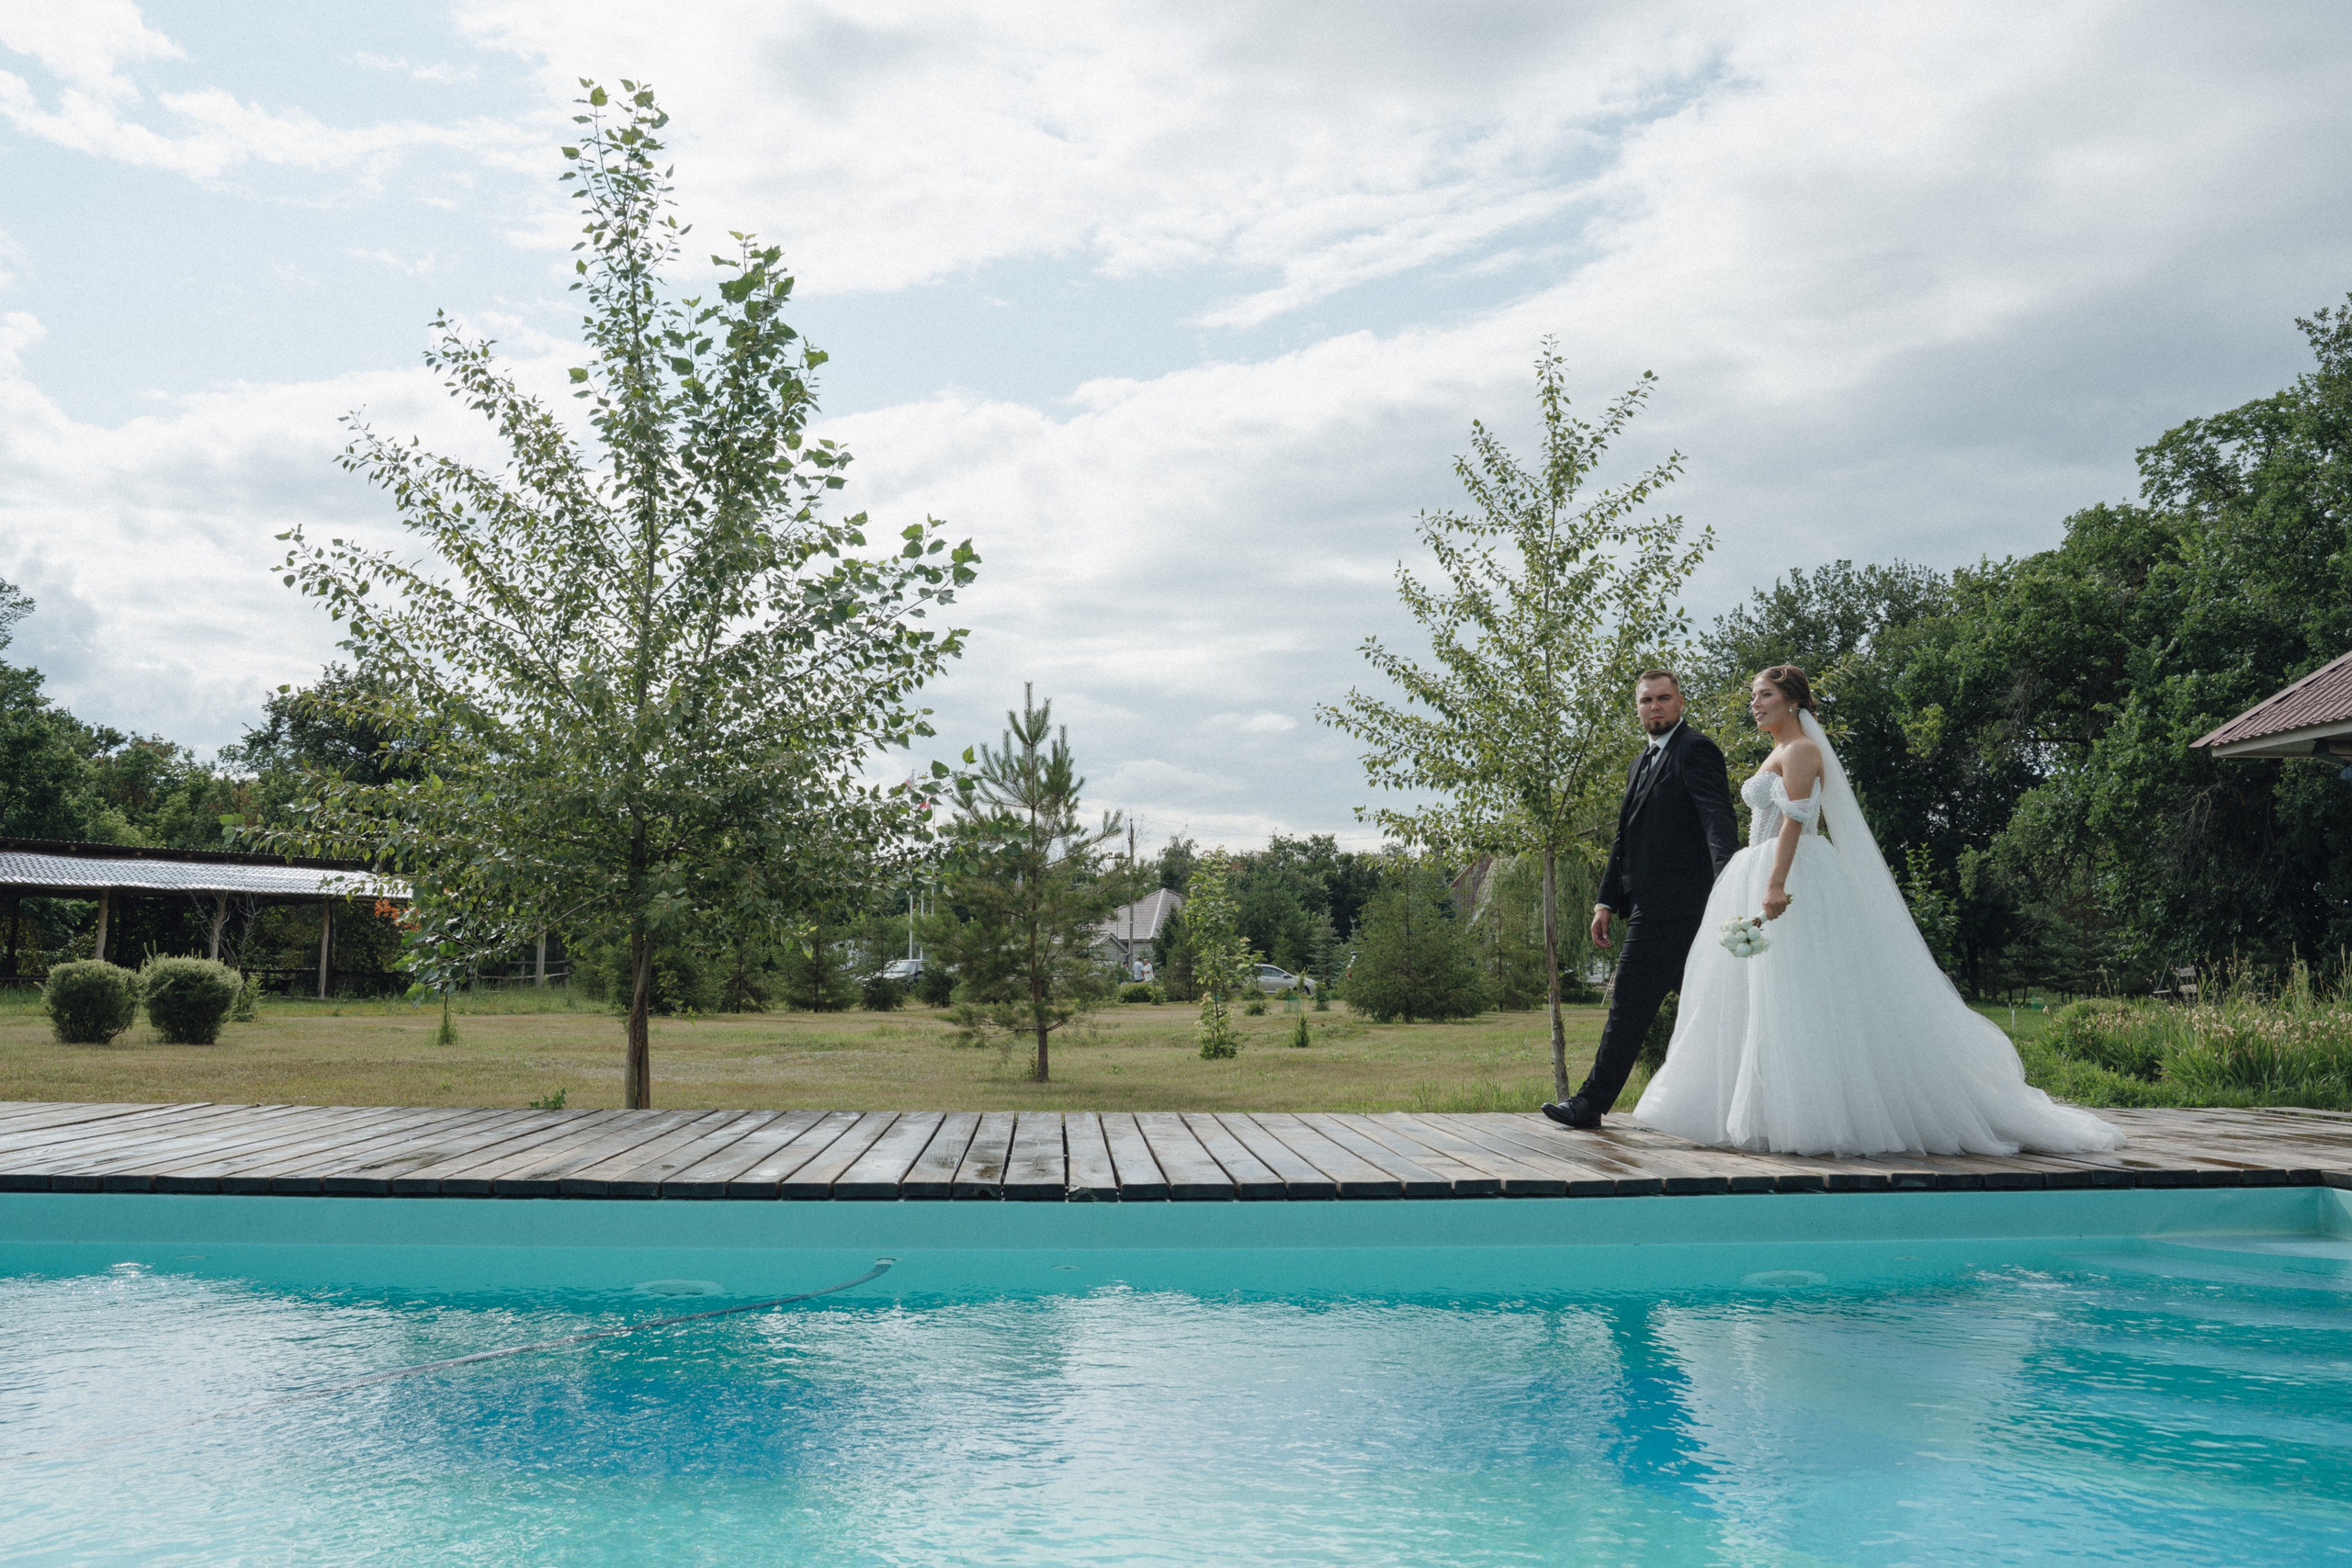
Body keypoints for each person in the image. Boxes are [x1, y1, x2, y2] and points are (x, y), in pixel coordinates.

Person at [1633, 664, 2121, 1156]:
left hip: (1793, 872)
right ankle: (1769, 1110)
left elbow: (1795, 821)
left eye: (1764, 696)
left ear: (1793, 702)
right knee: (1770, 1000)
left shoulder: (1801, 750)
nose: (1754, 705)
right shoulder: (1778, 750)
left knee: (1804, 996)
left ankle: (1820, 1115)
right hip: (1760, 867)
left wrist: (1775, 884)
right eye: (1753, 697)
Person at [1544, 668, 1740, 1130]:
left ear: (1681, 702)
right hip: (1648, 908)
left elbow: (1718, 821)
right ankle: (1744, 1101)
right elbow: (1623, 839)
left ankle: (1588, 1105)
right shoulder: (1640, 762)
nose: (1654, 707)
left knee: (1628, 1007)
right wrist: (1604, 902)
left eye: (1663, 698)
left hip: (1683, 909)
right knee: (1714, 1011)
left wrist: (1730, 886)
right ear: (1638, 708)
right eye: (1646, 700)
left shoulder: (1697, 750)